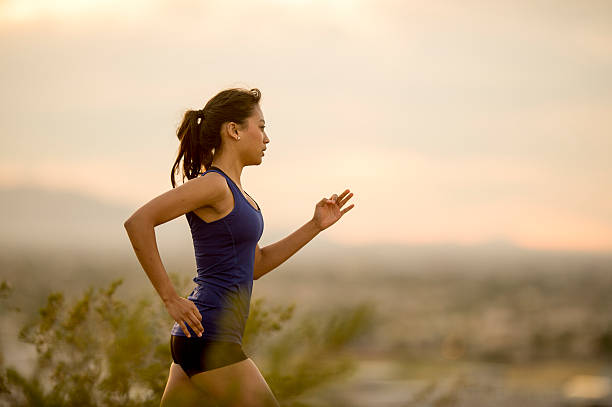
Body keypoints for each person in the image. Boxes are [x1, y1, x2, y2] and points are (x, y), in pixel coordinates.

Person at [123, 87, 355, 407]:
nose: (266, 138)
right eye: (260, 127)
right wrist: (170, 298)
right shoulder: (213, 185)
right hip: (210, 336)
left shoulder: (236, 192)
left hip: (196, 338)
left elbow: (255, 264)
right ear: (233, 130)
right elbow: (139, 222)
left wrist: (315, 226)